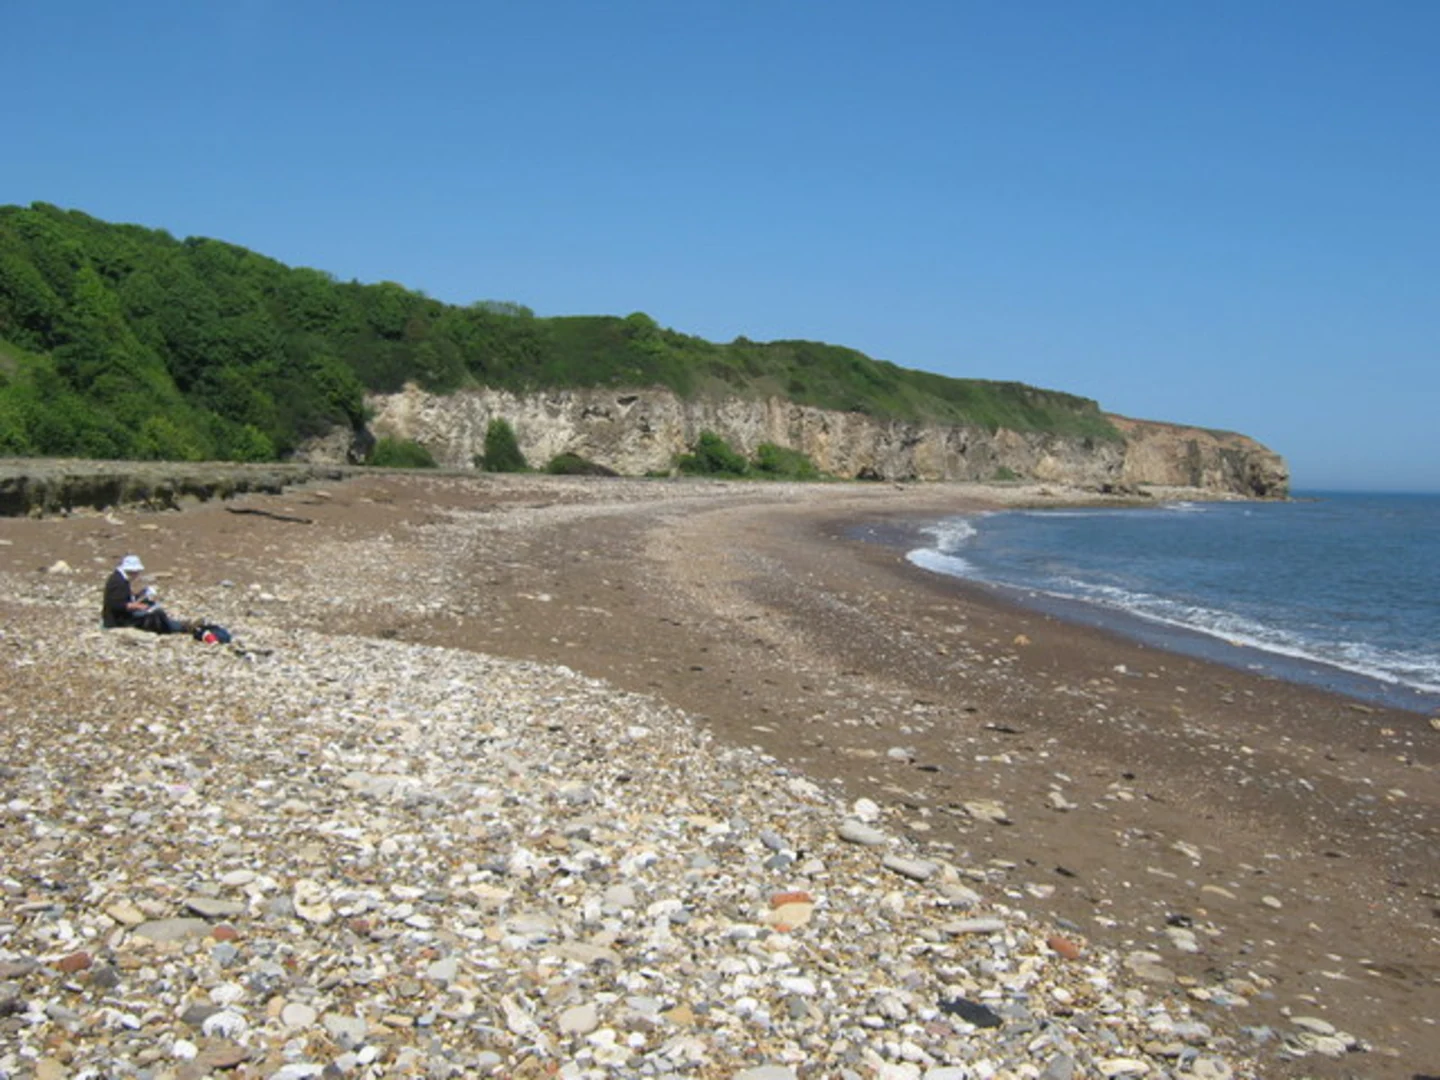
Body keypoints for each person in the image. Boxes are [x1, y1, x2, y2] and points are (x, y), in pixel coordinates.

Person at [101, 555, 189, 634]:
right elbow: (117, 605)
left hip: (120, 617)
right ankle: (180, 627)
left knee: (151, 607)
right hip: (118, 621)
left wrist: (141, 594)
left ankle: (179, 625)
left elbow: (125, 599)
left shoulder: (121, 579)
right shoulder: (118, 582)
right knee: (156, 614)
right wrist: (139, 606)